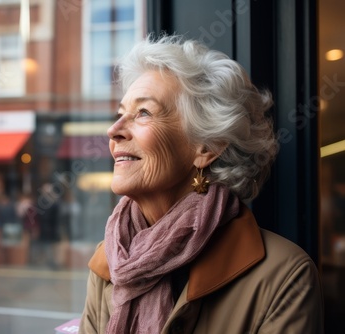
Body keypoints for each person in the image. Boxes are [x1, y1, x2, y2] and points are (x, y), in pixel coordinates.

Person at [79, 35, 323, 334]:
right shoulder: (111, 258)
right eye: (120, 114)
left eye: (143, 113)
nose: (113, 130)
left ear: (206, 147)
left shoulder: (284, 275)